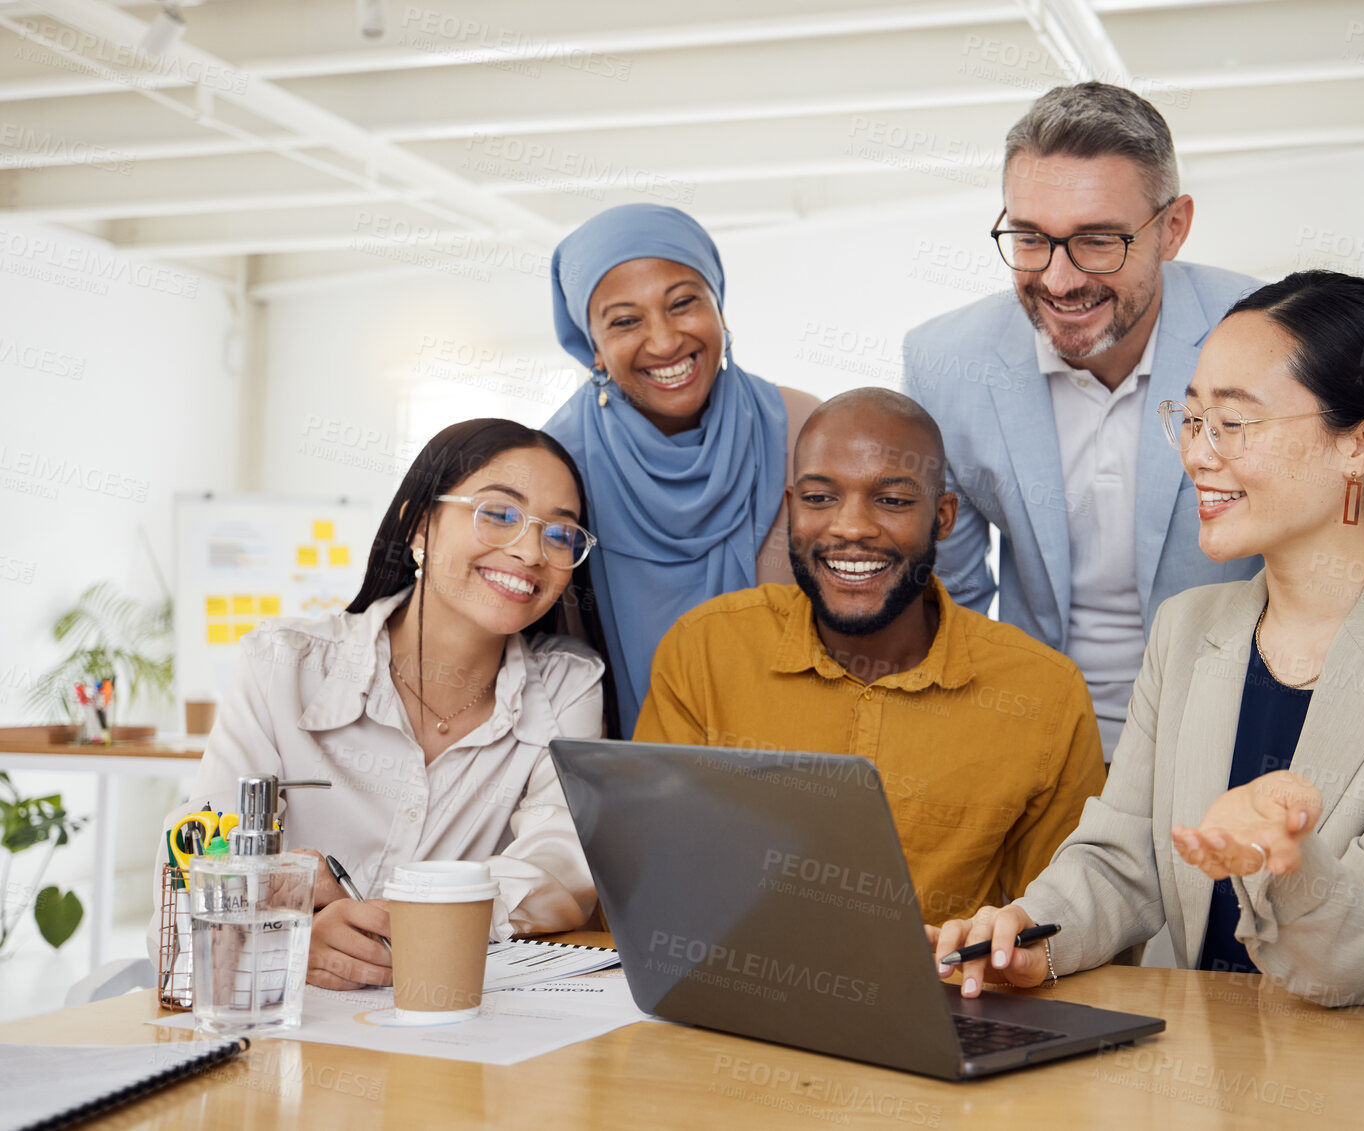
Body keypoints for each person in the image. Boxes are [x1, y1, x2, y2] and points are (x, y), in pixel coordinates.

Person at [930, 272, 1364, 1005]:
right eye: (1191, 418)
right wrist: (1027, 936)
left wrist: (1286, 860)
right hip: (1206, 1069)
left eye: (1233, 423)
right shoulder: (1187, 629)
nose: (1199, 453)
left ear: (1359, 444)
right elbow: (1120, 861)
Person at [163, 420, 611, 989]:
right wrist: (289, 947)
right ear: (418, 525)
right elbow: (185, 888)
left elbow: (557, 870)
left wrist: (399, 913)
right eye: (498, 514)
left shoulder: (568, 687)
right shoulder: (283, 666)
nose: (529, 551)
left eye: (559, 534)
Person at [635, 389, 1106, 924]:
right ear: (791, 510)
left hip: (945, 1002)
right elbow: (651, 872)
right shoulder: (706, 649)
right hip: (723, 998)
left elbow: (1062, 929)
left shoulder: (1043, 693)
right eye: (819, 499)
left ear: (944, 517)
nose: (851, 527)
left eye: (893, 500)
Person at [903, 82, 1262, 759]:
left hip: (1238, 738)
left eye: (1098, 241)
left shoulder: (1267, 331)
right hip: (1039, 738)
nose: (1059, 281)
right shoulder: (944, 363)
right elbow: (949, 600)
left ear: (1173, 227)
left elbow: (1319, 561)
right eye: (1030, 238)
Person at [544, 203, 819, 735]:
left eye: (684, 304)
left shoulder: (804, 428)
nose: (665, 341)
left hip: (798, 759)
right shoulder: (558, 462)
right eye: (625, 321)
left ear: (720, 309)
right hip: (626, 771)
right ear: (593, 349)